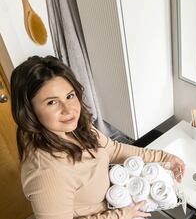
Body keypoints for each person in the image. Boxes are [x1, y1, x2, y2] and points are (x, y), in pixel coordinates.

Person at [10, 56, 185, 219]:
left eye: (70, 96)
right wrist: (121, 214)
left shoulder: (75, 127)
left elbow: (114, 150)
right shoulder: (47, 172)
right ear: (29, 111)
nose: (68, 109)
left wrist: (164, 157)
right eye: (52, 102)